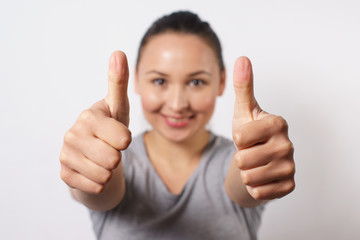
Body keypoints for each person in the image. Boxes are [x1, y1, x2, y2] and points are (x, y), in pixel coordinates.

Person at [59, 11, 295, 239]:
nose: (177, 104)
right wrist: (85, 171)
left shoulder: (241, 158)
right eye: (160, 80)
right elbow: (99, 191)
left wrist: (259, 161)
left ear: (221, 82)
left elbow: (244, 185)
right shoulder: (111, 158)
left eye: (196, 81)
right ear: (138, 79)